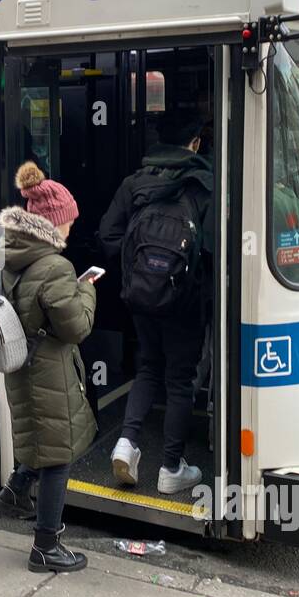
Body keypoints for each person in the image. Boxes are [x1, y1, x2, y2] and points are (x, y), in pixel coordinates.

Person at [98, 114, 214, 495]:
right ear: (195, 143)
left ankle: (126, 443)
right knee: (180, 381)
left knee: (148, 367)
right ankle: (170, 467)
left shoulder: (135, 183)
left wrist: (139, 272)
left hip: (141, 298)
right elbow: (213, 251)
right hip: (185, 303)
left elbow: (108, 233)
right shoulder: (203, 185)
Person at [0, 161, 97, 573]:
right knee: (58, 455)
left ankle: (15, 491)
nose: (71, 229)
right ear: (52, 223)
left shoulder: (7, 258)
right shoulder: (55, 267)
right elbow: (76, 327)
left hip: (21, 366)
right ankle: (45, 547)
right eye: (68, 221)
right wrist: (86, 292)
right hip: (49, 369)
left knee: (39, 435)